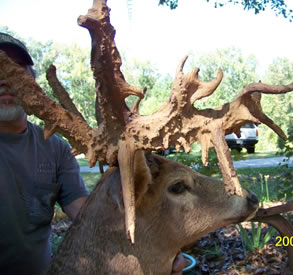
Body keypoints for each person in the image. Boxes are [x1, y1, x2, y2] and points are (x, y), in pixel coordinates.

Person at [0, 32, 186, 275]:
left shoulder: (54, 148)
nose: (4, 80)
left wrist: (153, 245)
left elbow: (86, 213)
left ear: (32, 85)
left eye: (15, 71)